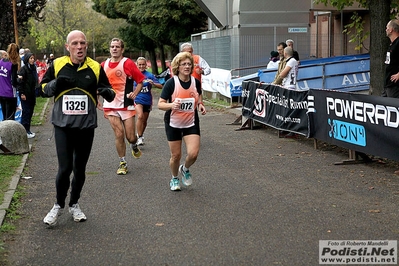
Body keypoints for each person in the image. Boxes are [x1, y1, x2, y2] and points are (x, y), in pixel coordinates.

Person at [39, 30, 115, 226]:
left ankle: (74, 203)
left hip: (85, 126)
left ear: (86, 46)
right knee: (65, 169)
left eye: (82, 43)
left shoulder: (96, 67)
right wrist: (57, 83)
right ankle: (58, 205)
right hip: (63, 126)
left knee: (79, 169)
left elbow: (111, 92)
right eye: (75, 43)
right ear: (67, 47)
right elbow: (41, 89)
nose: (79, 47)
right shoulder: (57, 65)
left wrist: (106, 92)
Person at [158, 52, 207, 191]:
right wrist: (171, 105)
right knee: (176, 155)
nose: (186, 66)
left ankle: (185, 168)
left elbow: (198, 96)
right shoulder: (171, 83)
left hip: (191, 122)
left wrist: (200, 104)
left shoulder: (195, 82)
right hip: (173, 122)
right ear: (177, 67)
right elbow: (160, 104)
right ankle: (174, 178)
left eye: (189, 64)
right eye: (183, 64)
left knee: (193, 153)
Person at [101, 38, 145, 175]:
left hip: (126, 104)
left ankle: (134, 145)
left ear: (122, 49)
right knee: (119, 134)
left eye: (117, 47)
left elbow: (140, 81)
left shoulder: (128, 63)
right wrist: (97, 100)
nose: (114, 49)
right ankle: (122, 162)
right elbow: (98, 84)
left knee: (131, 137)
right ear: (109, 49)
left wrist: (134, 93)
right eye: (112, 46)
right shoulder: (103, 65)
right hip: (110, 104)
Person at [134, 56, 163, 145]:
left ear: (146, 65)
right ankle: (139, 137)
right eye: (140, 65)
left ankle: (141, 135)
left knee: (144, 120)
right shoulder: (133, 74)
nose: (141, 66)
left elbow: (161, 86)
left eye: (143, 64)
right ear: (137, 65)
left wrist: (153, 83)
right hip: (137, 99)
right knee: (140, 116)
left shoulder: (150, 75)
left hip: (147, 100)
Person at [17, 52, 38, 138]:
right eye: (30, 58)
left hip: (32, 94)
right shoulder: (24, 69)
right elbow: (20, 83)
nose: (32, 60)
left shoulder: (33, 69)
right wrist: (22, 93)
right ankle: (24, 130)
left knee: (30, 112)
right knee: (26, 112)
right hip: (25, 94)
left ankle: (28, 129)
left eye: (33, 58)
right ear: (27, 59)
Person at [0, 43, 19, 121]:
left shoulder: (1, 62)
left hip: (1, 92)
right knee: (10, 118)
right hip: (10, 93)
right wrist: (19, 79)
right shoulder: (13, 65)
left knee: (4, 117)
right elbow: (14, 81)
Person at [383, 19, 399, 98]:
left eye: (387, 28)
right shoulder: (392, 44)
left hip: (395, 85)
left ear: (391, 29)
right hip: (388, 84)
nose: (386, 30)